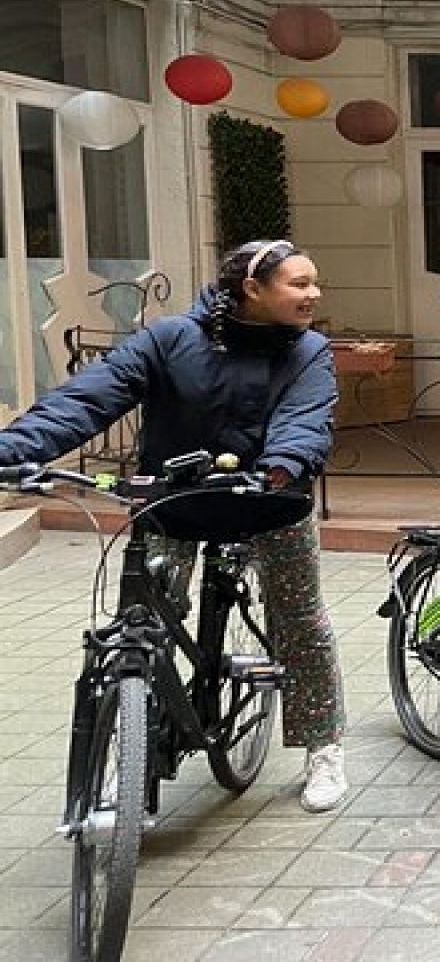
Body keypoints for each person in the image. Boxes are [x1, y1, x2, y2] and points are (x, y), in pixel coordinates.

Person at [0, 240, 349, 813]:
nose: (313, 294)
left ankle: (323, 746)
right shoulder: (170, 339)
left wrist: (282, 468)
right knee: (142, 622)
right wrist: (16, 449)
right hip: (174, 502)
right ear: (252, 289)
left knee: (299, 621)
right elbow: (89, 399)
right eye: (299, 283)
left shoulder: (307, 351)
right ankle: (135, 746)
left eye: (315, 283)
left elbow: (305, 418)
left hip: (268, 502)